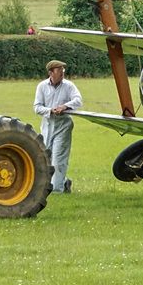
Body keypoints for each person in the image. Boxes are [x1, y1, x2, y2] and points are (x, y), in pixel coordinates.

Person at [34, 59, 83, 193]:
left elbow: (78, 100)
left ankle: (57, 190)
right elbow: (37, 107)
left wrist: (65, 106)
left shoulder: (69, 86)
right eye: (59, 70)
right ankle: (63, 182)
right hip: (47, 125)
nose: (62, 72)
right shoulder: (42, 86)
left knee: (59, 158)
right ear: (51, 72)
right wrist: (50, 110)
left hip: (64, 125)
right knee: (46, 157)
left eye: (63, 70)